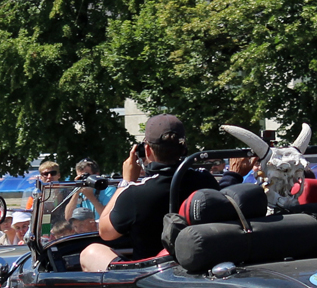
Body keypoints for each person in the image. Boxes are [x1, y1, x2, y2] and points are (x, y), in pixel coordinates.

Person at [81, 114, 218, 271]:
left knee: (90, 252)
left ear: (146, 150)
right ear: (183, 148)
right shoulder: (206, 180)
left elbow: (105, 232)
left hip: (151, 274)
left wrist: (125, 182)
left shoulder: (136, 193)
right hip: (200, 266)